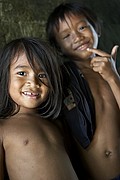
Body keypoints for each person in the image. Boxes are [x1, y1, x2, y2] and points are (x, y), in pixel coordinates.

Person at [46, 2, 120, 179]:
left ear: (97, 29)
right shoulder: (61, 79)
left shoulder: (113, 70)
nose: (78, 37)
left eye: (82, 27)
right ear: (58, 48)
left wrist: (112, 76)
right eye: (66, 36)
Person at [0, 37, 79, 180]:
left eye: (42, 75)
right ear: (5, 76)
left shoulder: (56, 123)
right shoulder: (3, 128)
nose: (34, 83)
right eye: (22, 73)